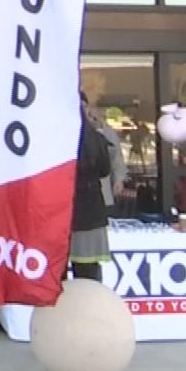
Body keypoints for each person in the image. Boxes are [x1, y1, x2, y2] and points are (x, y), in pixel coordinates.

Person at [69, 94, 113, 282]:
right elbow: (104, 171)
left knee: (57, 272)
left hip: (64, 210)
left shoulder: (58, 138)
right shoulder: (97, 138)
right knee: (89, 272)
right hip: (92, 209)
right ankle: (90, 307)